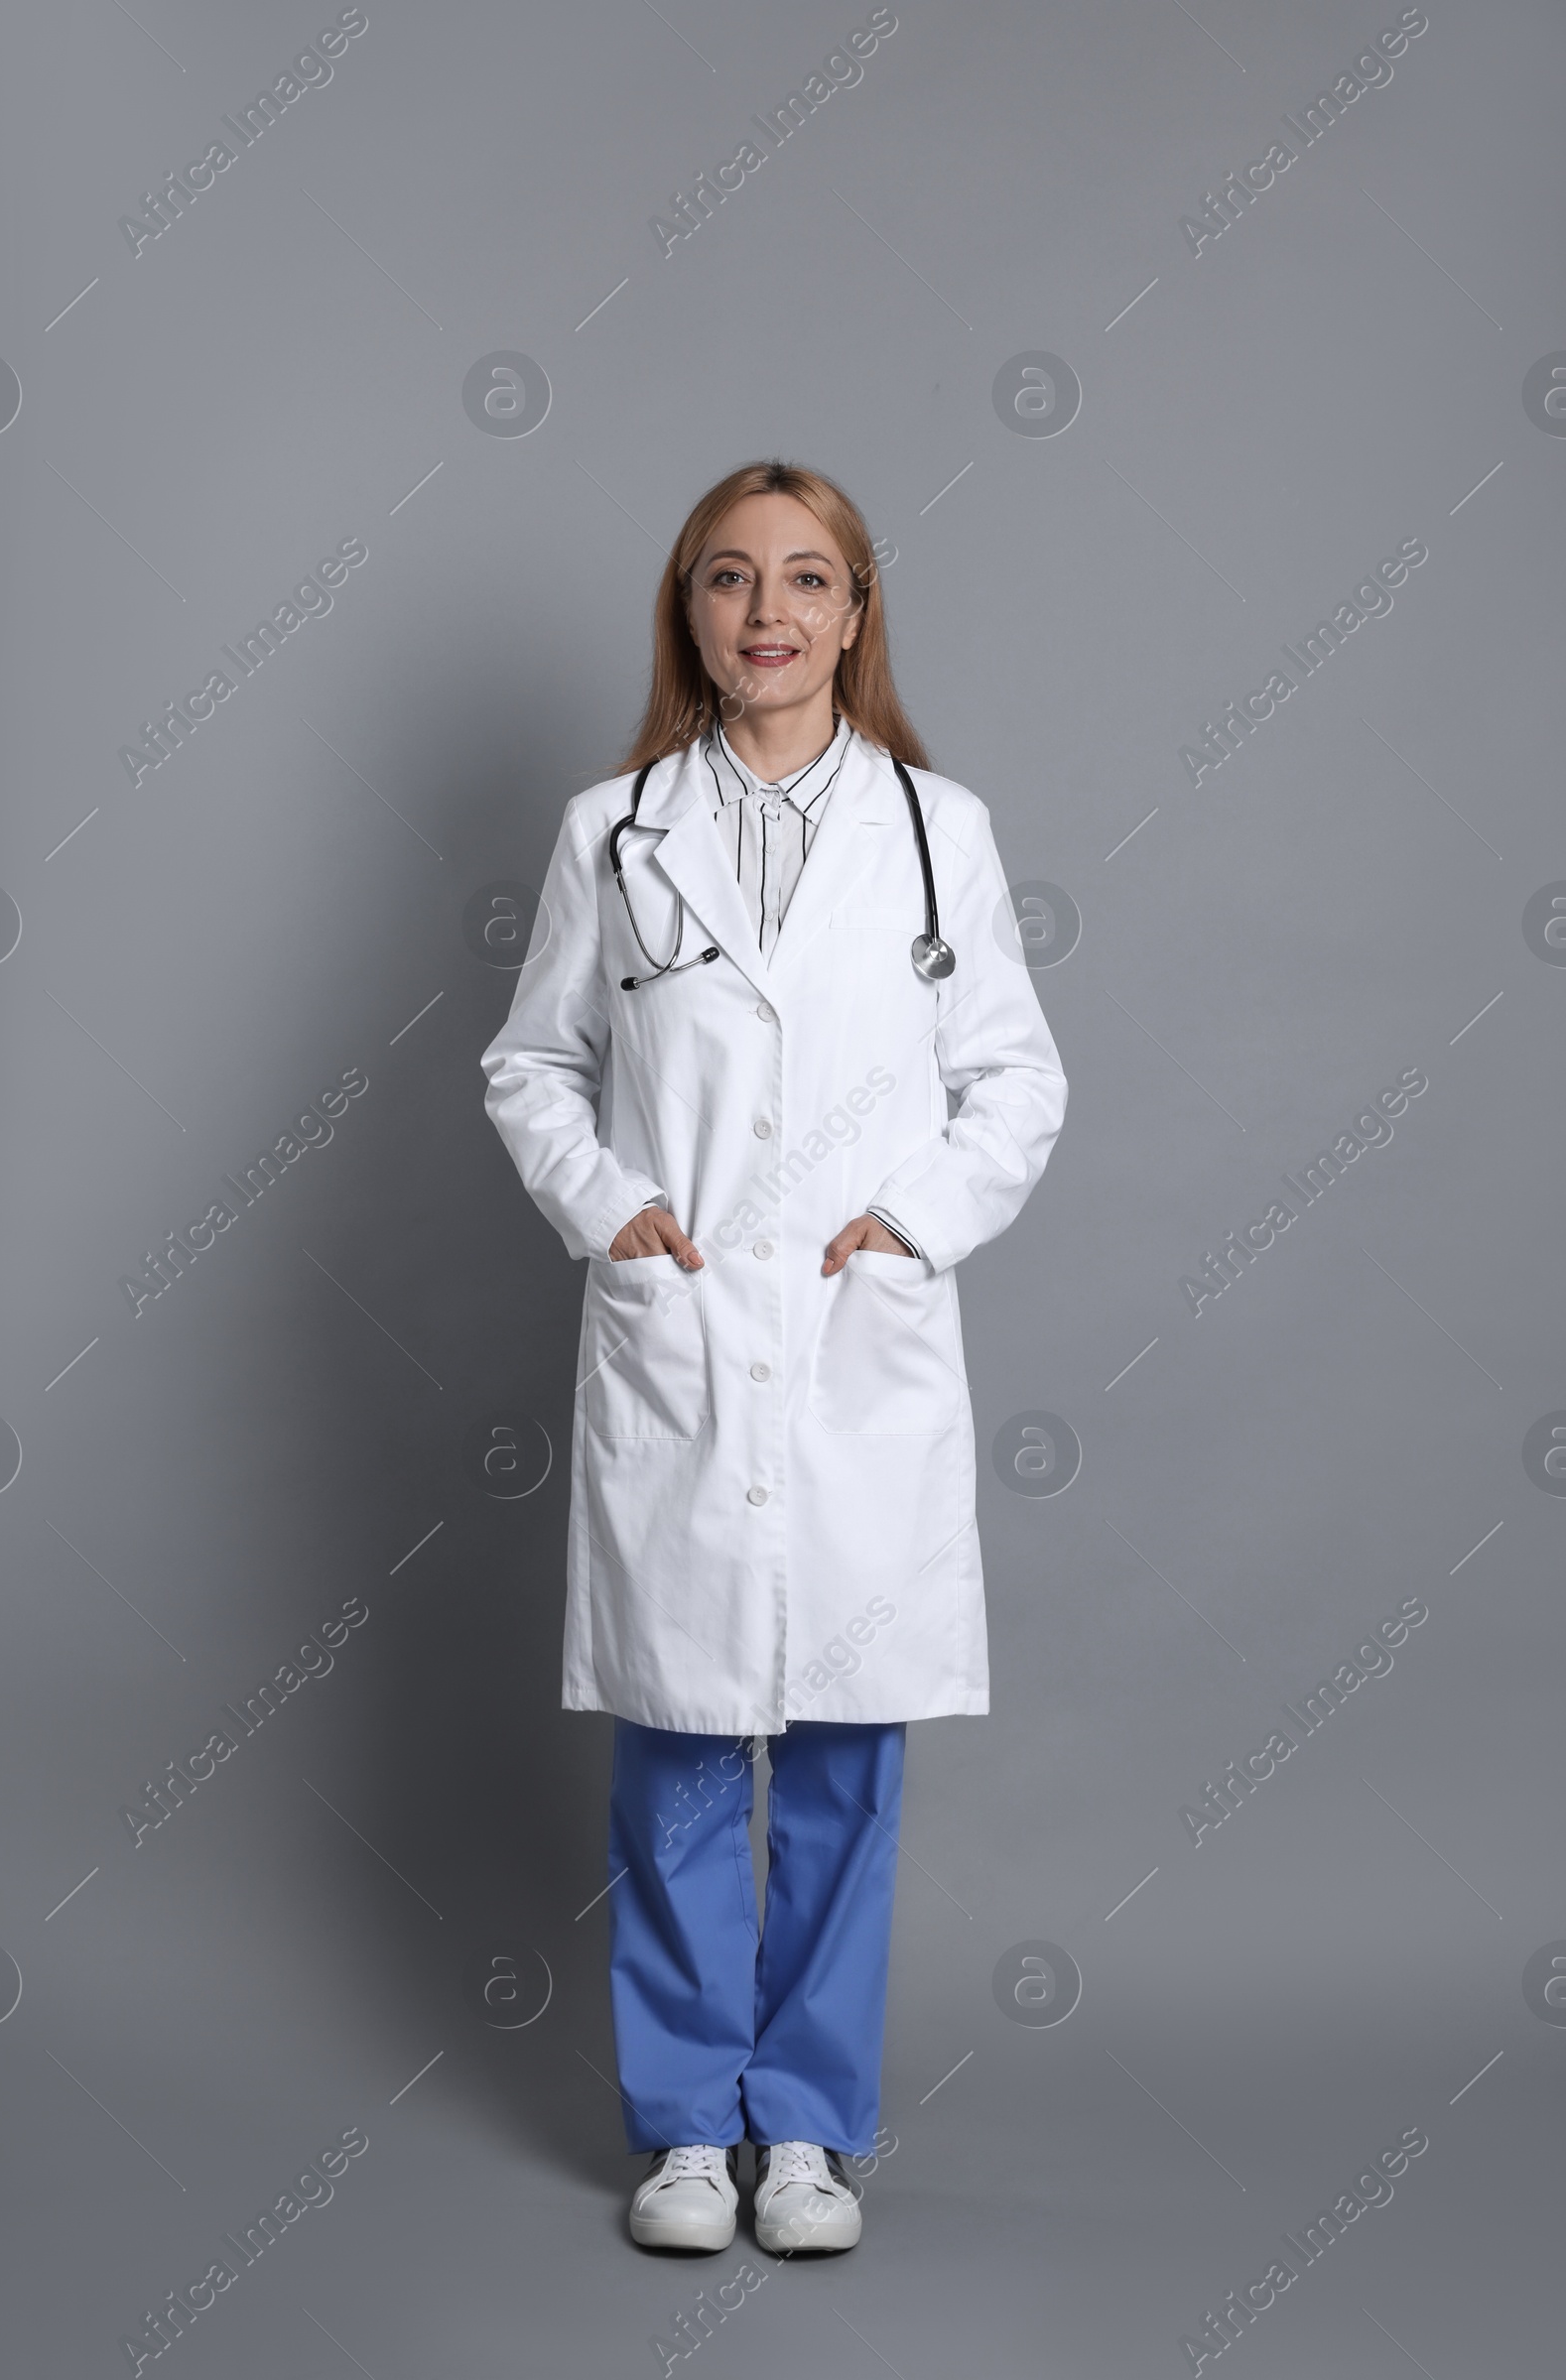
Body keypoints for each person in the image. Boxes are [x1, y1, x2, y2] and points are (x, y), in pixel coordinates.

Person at [480, 459, 1067, 2255]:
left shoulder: (934, 827)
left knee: (838, 1765)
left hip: (850, 1342)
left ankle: (803, 2133)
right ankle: (681, 2129)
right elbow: (531, 1066)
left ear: (855, 614)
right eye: (730, 580)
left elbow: (1017, 1080)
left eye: (806, 581)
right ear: (691, 612)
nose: (768, 613)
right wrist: (613, 1210)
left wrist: (912, 1224)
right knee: (674, 1752)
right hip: (689, 1333)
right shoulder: (613, 829)